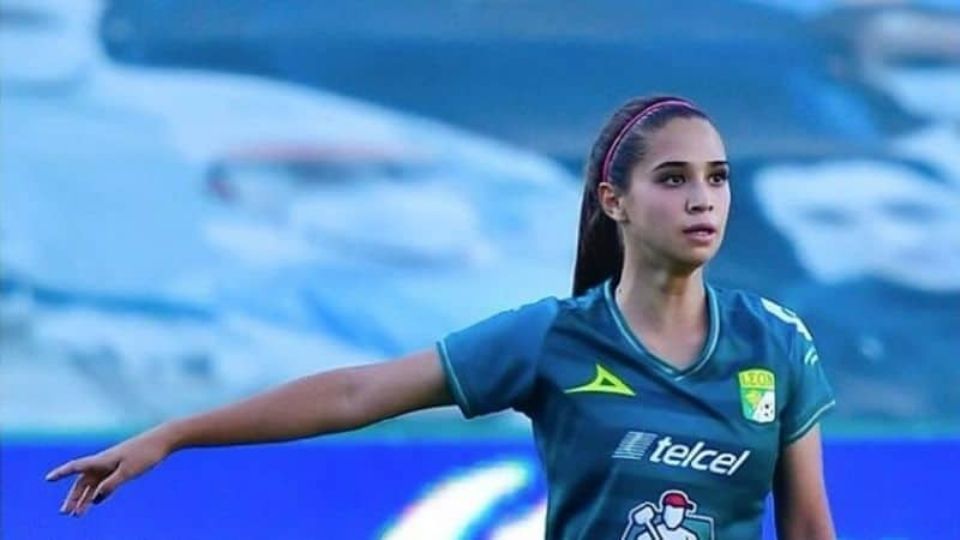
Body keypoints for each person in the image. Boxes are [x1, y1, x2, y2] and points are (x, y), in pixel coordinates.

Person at [46, 96, 837, 539]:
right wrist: (175, 434)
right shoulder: (552, 338)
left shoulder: (776, 342)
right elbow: (356, 393)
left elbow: (807, 528)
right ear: (614, 201)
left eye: (717, 177)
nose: (702, 198)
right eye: (673, 178)